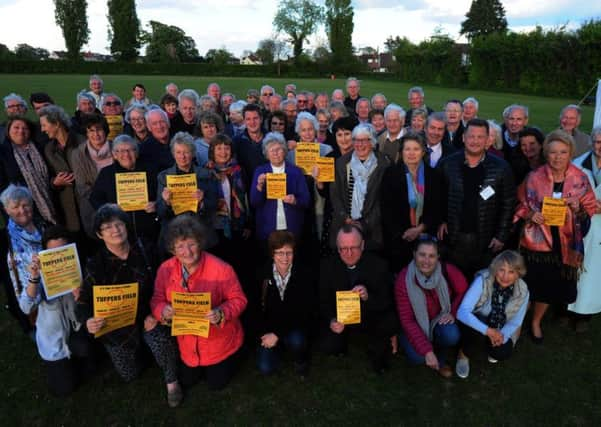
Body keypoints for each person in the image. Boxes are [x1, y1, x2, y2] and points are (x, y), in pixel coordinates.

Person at [76, 204, 181, 407]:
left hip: (149, 316)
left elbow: (167, 280)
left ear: (126, 226)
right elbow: (83, 300)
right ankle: (140, 354)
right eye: (107, 227)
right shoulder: (95, 264)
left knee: (162, 342)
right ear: (99, 234)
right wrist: (88, 320)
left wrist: (156, 312)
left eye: (119, 224)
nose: (115, 230)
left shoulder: (145, 248)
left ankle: (172, 381)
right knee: (129, 374)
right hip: (116, 325)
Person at [514, 130, 596, 342]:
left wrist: (578, 207)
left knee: (548, 289)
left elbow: (590, 207)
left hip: (565, 244)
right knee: (529, 284)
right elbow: (519, 205)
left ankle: (535, 322)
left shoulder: (580, 178)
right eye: (552, 152)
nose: (557, 157)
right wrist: (531, 213)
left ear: (570, 153)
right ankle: (519, 320)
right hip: (537, 245)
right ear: (546, 153)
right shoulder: (534, 177)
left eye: (563, 152)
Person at [150, 214, 247, 391]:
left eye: (191, 244)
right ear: (172, 249)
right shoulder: (165, 269)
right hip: (187, 342)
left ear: (200, 243)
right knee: (188, 380)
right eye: (180, 246)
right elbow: (157, 299)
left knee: (216, 384)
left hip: (218, 341)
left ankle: (235, 354)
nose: (187, 252)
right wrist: (163, 311)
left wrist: (220, 312)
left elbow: (239, 299)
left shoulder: (222, 269)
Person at [12, 220, 91, 396]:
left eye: (63, 251)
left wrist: (82, 296)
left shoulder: (80, 267)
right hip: (53, 340)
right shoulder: (37, 272)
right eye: (52, 252)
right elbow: (26, 308)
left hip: (76, 328)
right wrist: (34, 278)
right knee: (65, 389)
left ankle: (80, 355)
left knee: (88, 360)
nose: (58, 256)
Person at [437, 119, 516, 280]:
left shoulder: (501, 168)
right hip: (453, 238)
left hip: (485, 241)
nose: (475, 141)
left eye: (480, 137)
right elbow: (437, 198)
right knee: (453, 282)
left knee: (480, 286)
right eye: (471, 136)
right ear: (464, 138)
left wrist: (501, 235)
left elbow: (508, 204)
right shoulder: (447, 164)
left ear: (488, 140)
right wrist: (441, 220)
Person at [319, 224, 399, 373]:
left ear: (362, 245)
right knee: (329, 346)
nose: (348, 253)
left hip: (369, 316)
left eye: (353, 248)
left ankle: (378, 348)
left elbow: (387, 302)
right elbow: (323, 300)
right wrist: (331, 320)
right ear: (337, 248)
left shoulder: (379, 265)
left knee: (383, 341)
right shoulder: (327, 266)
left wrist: (368, 296)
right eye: (343, 248)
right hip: (341, 320)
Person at [394, 237, 468, 378]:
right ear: (414, 254)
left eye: (431, 256)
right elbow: (407, 320)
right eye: (422, 255)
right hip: (414, 323)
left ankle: (440, 358)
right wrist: (427, 351)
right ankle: (425, 348)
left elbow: (464, 291)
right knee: (418, 357)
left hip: (439, 319)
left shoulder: (447, 270)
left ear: (438, 257)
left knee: (452, 334)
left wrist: (452, 312)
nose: (426, 261)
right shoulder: (404, 280)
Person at [456, 250, 529, 376]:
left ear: (518, 274)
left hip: (500, 326)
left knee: (503, 352)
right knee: (478, 327)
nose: (505, 276)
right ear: (495, 269)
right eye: (502, 270)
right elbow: (462, 312)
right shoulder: (483, 279)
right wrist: (488, 331)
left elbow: (516, 321)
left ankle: (490, 346)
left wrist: (501, 336)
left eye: (511, 272)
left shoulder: (523, 291)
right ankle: (463, 354)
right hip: (477, 322)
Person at [381, 133, 443, 272]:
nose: (411, 153)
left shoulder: (434, 175)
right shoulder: (391, 174)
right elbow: (386, 208)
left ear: (422, 152)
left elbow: (437, 207)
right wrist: (403, 234)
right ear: (401, 152)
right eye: (407, 149)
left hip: (426, 238)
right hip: (399, 239)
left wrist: (420, 228)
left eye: (416, 149)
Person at [256, 231, 314, 377]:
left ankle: (300, 360)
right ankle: (278, 350)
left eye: (289, 252)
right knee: (265, 368)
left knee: (297, 340)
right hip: (269, 329)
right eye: (280, 253)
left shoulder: (304, 273)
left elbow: (305, 312)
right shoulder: (262, 274)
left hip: (294, 326)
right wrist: (265, 334)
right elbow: (255, 309)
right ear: (272, 254)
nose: (285, 258)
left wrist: (277, 334)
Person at [329, 124, 390, 251]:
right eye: (356, 140)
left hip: (373, 229)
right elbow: (335, 194)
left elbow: (384, 200)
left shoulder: (384, 164)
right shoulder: (342, 163)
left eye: (364, 140)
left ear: (372, 142)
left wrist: (365, 223)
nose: (359, 144)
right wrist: (345, 217)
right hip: (344, 225)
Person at [90, 135, 159, 242]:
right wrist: (110, 211)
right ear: (114, 154)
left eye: (130, 150)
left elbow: (161, 195)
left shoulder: (151, 170)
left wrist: (156, 204)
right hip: (119, 231)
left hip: (149, 229)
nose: (126, 154)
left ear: (136, 153)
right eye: (121, 151)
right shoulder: (106, 173)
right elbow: (95, 198)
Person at [156, 132, 218, 248]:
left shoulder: (206, 174)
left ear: (193, 153)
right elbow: (160, 212)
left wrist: (202, 202)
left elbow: (214, 205)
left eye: (186, 152)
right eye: (178, 152)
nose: (182, 157)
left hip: (200, 232)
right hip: (174, 234)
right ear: (173, 154)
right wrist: (166, 202)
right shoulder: (163, 177)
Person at [250, 132, 310, 243]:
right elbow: (254, 202)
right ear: (266, 154)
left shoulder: (296, 171)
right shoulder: (260, 171)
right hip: (268, 228)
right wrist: (259, 186)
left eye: (279, 149)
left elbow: (306, 201)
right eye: (271, 150)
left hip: (292, 227)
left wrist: (295, 200)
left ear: (285, 151)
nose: (276, 153)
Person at [568, 127, 601, 324]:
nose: (600, 147)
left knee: (594, 272)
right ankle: (566, 308)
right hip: (580, 223)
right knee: (574, 266)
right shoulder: (577, 166)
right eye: (597, 142)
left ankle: (585, 315)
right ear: (591, 142)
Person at [0, 117, 57, 225]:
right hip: (21, 211)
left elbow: (49, 174)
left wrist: (54, 182)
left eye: (25, 128)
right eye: (16, 127)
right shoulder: (3, 152)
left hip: (50, 203)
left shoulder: (40, 148)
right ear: (8, 131)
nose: (21, 131)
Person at [39, 105, 85, 233]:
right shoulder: (48, 149)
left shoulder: (82, 142)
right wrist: (55, 182)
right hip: (67, 211)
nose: (42, 130)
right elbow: (47, 177)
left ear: (57, 124)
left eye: (44, 125)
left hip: (87, 205)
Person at [70, 113, 113, 238]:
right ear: (86, 133)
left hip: (119, 204)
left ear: (105, 131)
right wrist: (104, 204)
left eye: (99, 130)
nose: (96, 134)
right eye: (91, 131)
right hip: (93, 208)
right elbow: (82, 186)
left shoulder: (117, 148)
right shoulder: (78, 154)